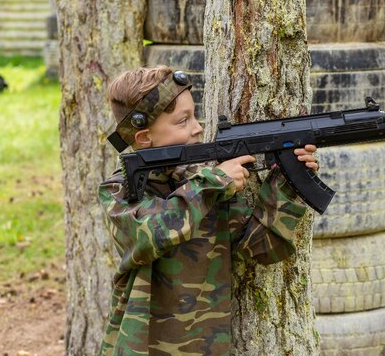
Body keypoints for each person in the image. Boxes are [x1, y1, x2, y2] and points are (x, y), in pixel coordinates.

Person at [98, 65, 318, 356]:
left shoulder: (201, 181)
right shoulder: (119, 191)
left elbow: (262, 248)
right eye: (182, 121)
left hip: (208, 346)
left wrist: (288, 181)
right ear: (143, 138)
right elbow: (150, 233)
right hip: (142, 344)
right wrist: (213, 182)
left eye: (194, 115)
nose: (198, 127)